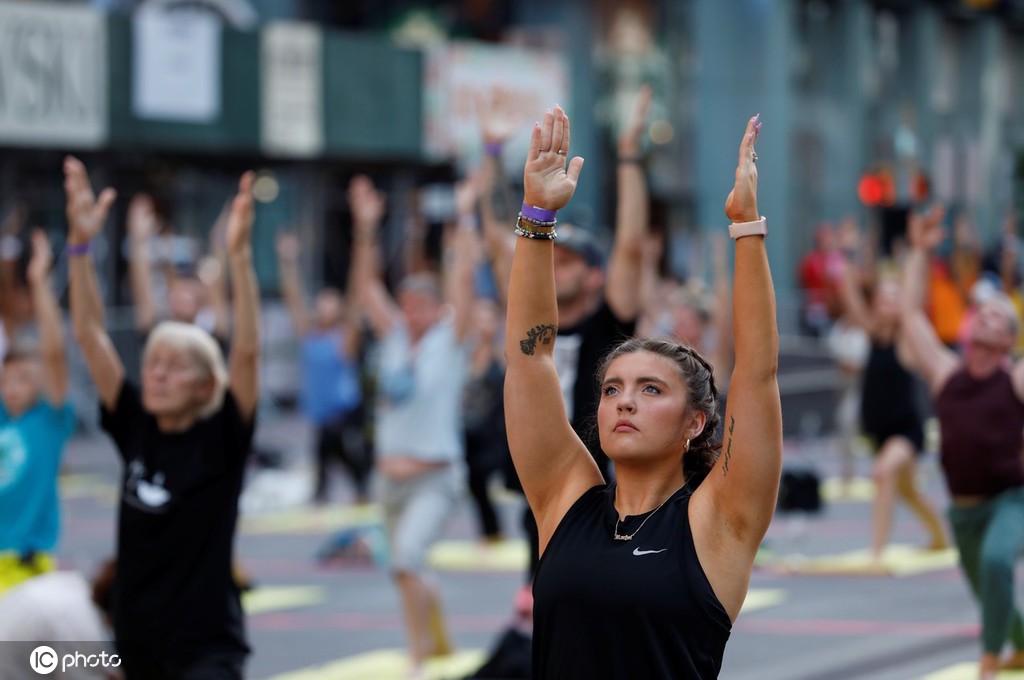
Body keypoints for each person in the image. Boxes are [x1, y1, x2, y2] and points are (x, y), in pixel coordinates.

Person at [505, 106, 780, 678]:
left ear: (695, 422)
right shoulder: (564, 500)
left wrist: (746, 229)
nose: (624, 401)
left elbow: (757, 371)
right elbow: (530, 361)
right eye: (612, 389)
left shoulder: (720, 519)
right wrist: (536, 216)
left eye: (650, 389)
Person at [66, 156, 261, 680]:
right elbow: (88, 334)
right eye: (153, 363)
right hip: (135, 648)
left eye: (175, 367)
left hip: (205, 650)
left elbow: (246, 352)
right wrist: (80, 245)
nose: (156, 374)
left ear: (206, 385)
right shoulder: (137, 424)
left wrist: (239, 258)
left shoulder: (222, 437)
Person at [348, 174, 478, 677]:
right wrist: (365, 228)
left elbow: (464, 281)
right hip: (389, 477)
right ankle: (433, 640)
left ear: (435, 307)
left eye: (420, 305)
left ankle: (418, 657)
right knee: (403, 568)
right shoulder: (395, 339)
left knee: (407, 557)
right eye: (405, 305)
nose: (410, 313)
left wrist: (463, 217)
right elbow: (366, 288)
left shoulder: (450, 342)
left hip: (434, 475)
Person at [901, 206, 1024, 680]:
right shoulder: (945, 373)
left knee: (997, 561)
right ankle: (1019, 645)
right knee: (989, 589)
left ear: (1009, 338)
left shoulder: (1014, 379)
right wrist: (918, 251)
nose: (986, 316)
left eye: (998, 315)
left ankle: (989, 660)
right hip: (963, 509)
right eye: (983, 311)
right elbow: (910, 314)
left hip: (1010, 500)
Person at [836, 241, 947, 569]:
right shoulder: (872, 333)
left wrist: (917, 255)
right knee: (908, 491)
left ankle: (876, 551)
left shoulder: (906, 341)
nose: (890, 303)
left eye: (896, 297)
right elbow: (849, 295)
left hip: (907, 429)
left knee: (883, 473)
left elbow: (917, 299)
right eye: (885, 297)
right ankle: (941, 536)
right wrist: (847, 252)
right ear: (876, 303)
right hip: (880, 431)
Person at [0, 230, 75, 593]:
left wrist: (39, 282)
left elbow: (55, 352)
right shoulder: (4, 418)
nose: (14, 387)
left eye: (25, 379)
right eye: (8, 380)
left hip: (28, 562)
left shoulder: (48, 420)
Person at [276, 231, 367, 504]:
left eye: (331, 301)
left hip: (342, 410)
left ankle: (338, 491)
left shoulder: (345, 337)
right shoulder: (309, 334)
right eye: (322, 300)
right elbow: (292, 297)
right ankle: (343, 490)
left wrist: (362, 246)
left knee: (334, 449)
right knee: (329, 452)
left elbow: (357, 296)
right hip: (320, 410)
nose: (325, 306)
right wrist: (288, 260)